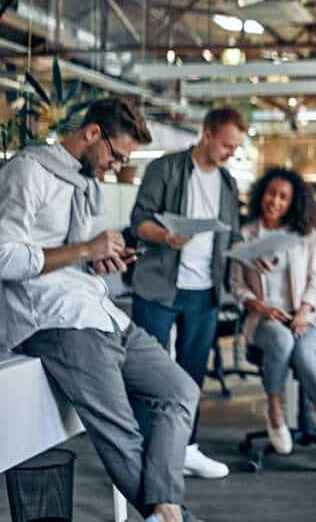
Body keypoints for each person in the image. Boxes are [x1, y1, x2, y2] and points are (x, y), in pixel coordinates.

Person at [0, 99, 202, 522]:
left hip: (99, 311)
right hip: (57, 321)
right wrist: (85, 249)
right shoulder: (27, 171)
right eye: (117, 156)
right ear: (92, 134)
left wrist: (94, 261)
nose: (117, 166)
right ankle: (171, 515)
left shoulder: (81, 182)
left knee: (180, 391)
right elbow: (5, 257)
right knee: (122, 434)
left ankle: (165, 509)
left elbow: (65, 255)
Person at [130, 107, 245, 479]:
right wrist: (165, 236)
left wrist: (250, 256)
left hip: (204, 291)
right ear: (207, 134)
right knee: (147, 371)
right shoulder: (165, 168)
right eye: (227, 145)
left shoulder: (227, 183)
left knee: (192, 374)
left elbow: (232, 235)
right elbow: (139, 220)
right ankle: (143, 454)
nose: (231, 153)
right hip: (159, 287)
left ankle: (185, 449)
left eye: (236, 147)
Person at [228, 167, 316, 456]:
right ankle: (274, 408)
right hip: (263, 318)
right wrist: (259, 306)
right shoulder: (246, 235)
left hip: (303, 316)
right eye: (271, 194)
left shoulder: (305, 235)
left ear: (293, 202)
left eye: (283, 197)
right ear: (261, 194)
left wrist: (304, 311)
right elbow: (236, 285)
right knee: (281, 340)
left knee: (303, 351)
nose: (275, 201)